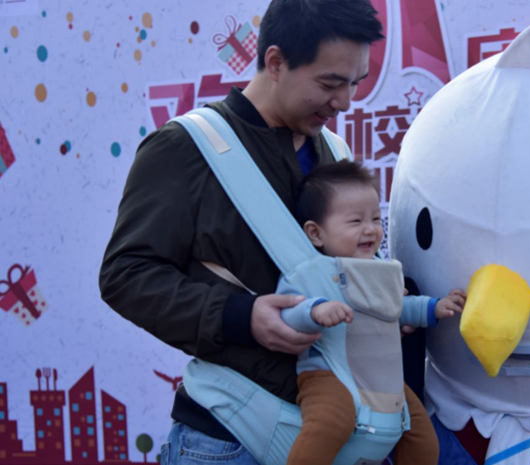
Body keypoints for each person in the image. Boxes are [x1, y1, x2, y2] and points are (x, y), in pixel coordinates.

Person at [98, 1, 384, 463]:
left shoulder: (334, 152)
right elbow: (125, 274)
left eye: (355, 83)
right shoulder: (183, 147)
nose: (345, 102)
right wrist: (240, 316)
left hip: (334, 434)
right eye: (329, 83)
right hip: (224, 438)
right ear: (276, 62)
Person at [276, 160, 466, 465]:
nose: (370, 229)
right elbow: (286, 312)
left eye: (376, 218)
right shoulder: (310, 272)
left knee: (421, 434)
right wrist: (314, 310)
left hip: (383, 378)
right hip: (330, 375)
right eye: (355, 221)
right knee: (329, 422)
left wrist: (433, 307)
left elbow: (397, 309)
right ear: (315, 233)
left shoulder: (381, 269)